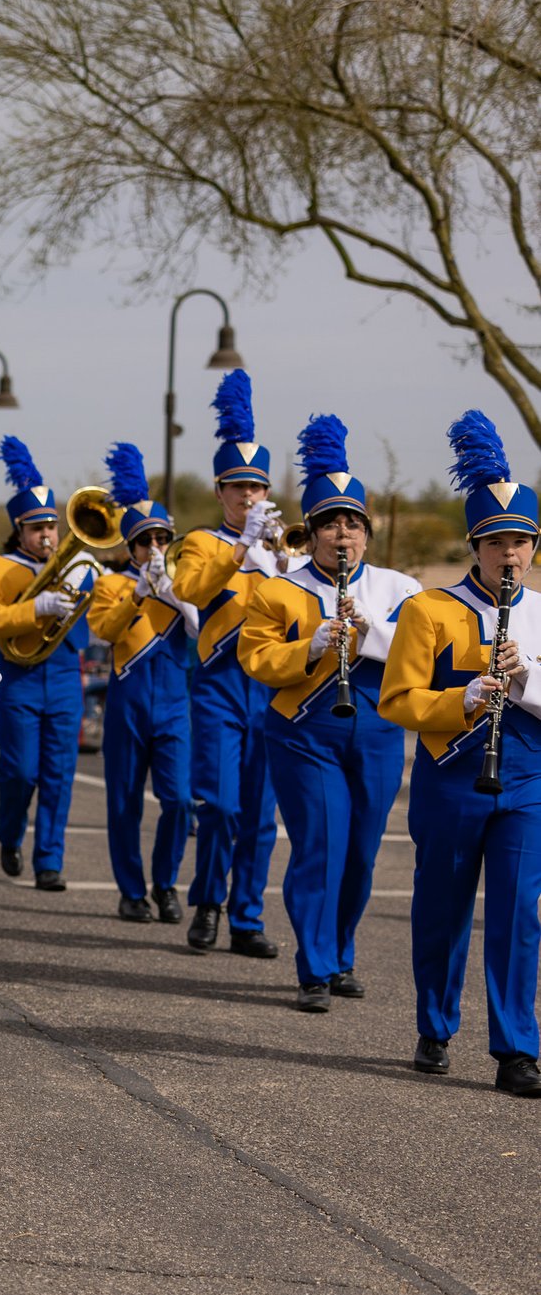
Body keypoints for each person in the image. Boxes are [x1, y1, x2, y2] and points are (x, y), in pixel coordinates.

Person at [378, 410, 541, 1096]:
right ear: (475, 545)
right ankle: (435, 1024)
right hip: (451, 776)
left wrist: (526, 679)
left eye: (522, 543)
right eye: (497, 542)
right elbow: (396, 701)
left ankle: (515, 1048)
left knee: (520, 911)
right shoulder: (428, 610)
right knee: (443, 905)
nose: (510, 555)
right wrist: (465, 699)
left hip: (528, 774)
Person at [238, 414, 419, 1013]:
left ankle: (341, 952)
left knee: (363, 852)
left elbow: (426, 658)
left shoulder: (399, 588)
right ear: (311, 533)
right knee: (320, 843)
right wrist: (311, 646)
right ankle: (314, 965)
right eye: (330, 525)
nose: (343, 535)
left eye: (353, 524)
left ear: (367, 533)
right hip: (304, 731)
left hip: (377, 729)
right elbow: (257, 659)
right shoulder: (278, 589)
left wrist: (369, 636)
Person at [174, 369, 288, 958]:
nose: (248, 496)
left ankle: (246, 915)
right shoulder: (204, 542)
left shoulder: (286, 552)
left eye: (257, 487)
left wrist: (280, 560)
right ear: (220, 492)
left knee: (260, 811)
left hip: (270, 687)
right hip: (219, 685)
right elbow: (191, 588)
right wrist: (244, 548)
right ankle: (208, 902)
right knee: (217, 804)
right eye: (237, 487)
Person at [0, 435, 94, 891]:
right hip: (19, 678)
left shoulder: (76, 566)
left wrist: (84, 591)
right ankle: (9, 836)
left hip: (64, 675)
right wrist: (36, 608)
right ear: (19, 531)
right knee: (21, 771)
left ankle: (49, 860)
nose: (47, 535)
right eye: (36, 527)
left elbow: (90, 627)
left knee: (59, 773)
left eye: (51, 526)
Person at [85, 442, 194, 925]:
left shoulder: (186, 582)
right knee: (124, 801)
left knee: (178, 800)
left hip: (175, 702)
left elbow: (205, 633)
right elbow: (103, 631)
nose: (154, 549)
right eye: (145, 541)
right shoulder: (111, 584)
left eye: (161, 539)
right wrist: (137, 594)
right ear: (130, 547)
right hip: (127, 703)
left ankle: (166, 883)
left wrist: (175, 594)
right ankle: (131, 891)